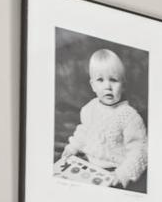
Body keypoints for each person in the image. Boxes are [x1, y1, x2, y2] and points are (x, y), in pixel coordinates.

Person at [58, 49, 148, 188]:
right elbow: (84, 131)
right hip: (88, 164)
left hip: (114, 170)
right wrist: (73, 147)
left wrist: (122, 174)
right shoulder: (90, 108)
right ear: (93, 85)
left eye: (114, 80)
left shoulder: (129, 117)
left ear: (123, 85)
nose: (107, 86)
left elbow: (139, 150)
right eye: (100, 80)